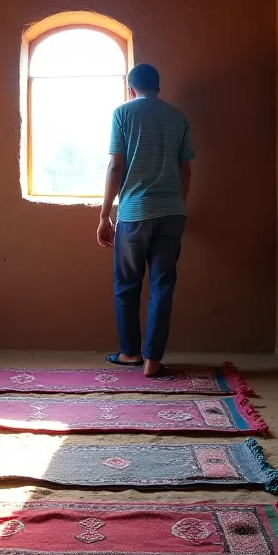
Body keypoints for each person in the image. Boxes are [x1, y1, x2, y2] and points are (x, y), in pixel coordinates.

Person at [97, 63, 194, 378]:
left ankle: (129, 353)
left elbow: (115, 167)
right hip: (172, 212)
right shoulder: (178, 118)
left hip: (134, 214)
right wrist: (177, 204)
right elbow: (186, 171)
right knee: (162, 285)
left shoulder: (123, 114)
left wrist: (104, 215)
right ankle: (153, 361)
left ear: (131, 88)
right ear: (159, 87)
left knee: (127, 284)